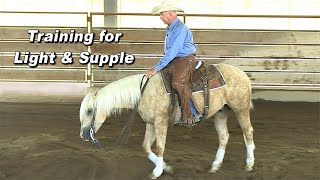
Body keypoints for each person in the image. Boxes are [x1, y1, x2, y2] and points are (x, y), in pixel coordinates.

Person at [146, 1, 200, 125]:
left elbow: (172, 52)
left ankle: (192, 113)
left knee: (177, 82)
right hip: (176, 58)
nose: (160, 17)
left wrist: (155, 68)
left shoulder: (180, 29)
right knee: (163, 80)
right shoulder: (172, 28)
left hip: (185, 59)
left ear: (170, 14)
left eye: (162, 14)